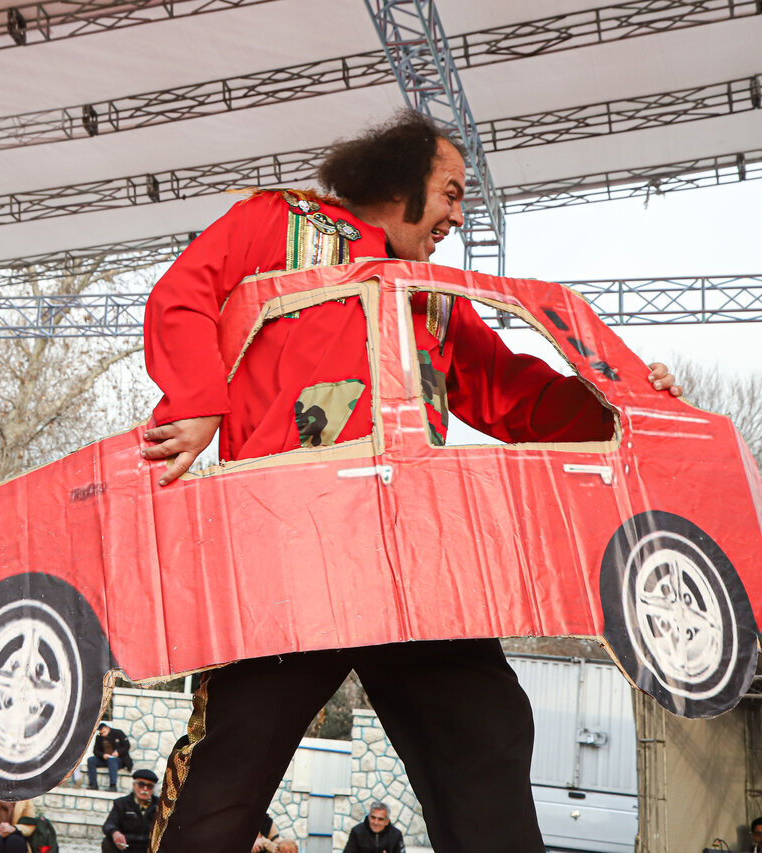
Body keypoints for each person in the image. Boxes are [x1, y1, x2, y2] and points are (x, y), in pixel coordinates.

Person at [139, 110, 683, 853]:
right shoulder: (275, 221)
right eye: (451, 193)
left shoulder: (432, 291)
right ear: (399, 183)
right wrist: (198, 404)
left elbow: (509, 390)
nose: (459, 215)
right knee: (233, 759)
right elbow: (183, 296)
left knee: (487, 730)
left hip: (413, 555)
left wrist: (621, 404)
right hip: (292, 549)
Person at [102, 768, 158, 852]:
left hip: (149, 846)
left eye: (149, 786)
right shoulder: (121, 803)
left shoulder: (161, 806)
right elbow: (109, 824)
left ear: (153, 789)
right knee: (107, 841)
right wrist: (115, 833)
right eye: (141, 785)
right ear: (134, 785)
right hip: (126, 846)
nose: (145, 789)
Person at [87, 722, 132, 791]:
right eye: (101, 733)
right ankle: (93, 784)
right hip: (106, 759)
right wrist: (103, 755)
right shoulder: (99, 737)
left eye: (104, 732)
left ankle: (113, 785)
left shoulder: (118, 733)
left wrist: (118, 752)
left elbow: (127, 745)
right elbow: (95, 751)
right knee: (91, 760)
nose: (103, 734)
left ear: (108, 728)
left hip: (119, 760)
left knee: (112, 761)